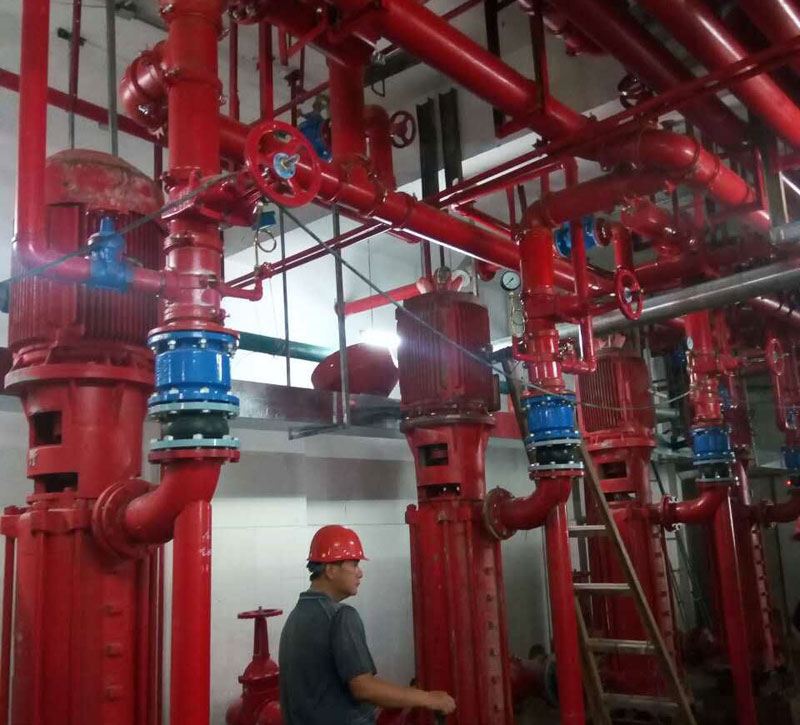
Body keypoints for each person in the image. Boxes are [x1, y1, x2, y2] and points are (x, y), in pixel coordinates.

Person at [278, 524, 457, 724]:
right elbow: (364, 687)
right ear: (330, 570)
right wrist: (428, 698)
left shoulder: (295, 618)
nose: (360, 573)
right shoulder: (341, 616)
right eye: (354, 564)